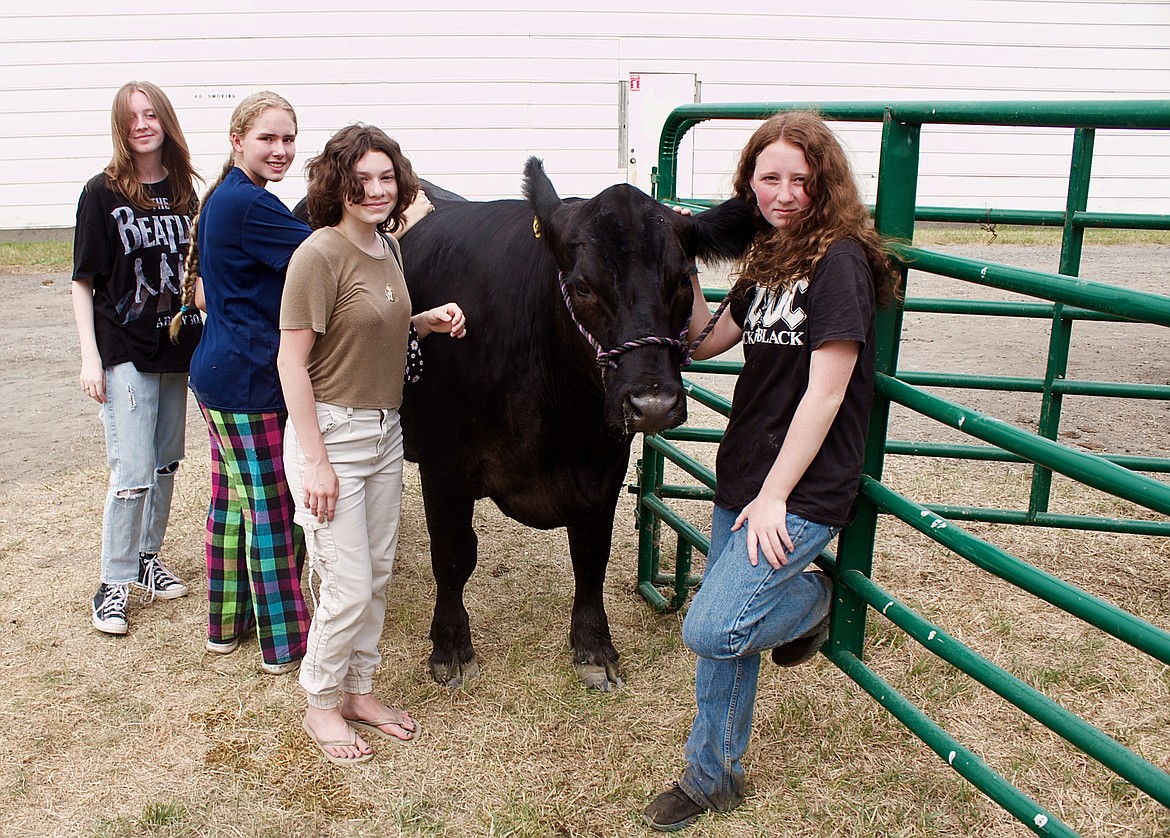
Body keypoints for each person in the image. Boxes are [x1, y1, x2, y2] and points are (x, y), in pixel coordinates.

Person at [643, 111, 901, 831]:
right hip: (745, 473)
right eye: (769, 178)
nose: (785, 193)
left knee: (713, 628)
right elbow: (704, 341)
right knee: (727, 636)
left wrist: (775, 495)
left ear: (825, 182)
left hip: (801, 485)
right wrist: (685, 259)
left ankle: (814, 603)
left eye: (800, 178)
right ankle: (711, 777)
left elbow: (827, 390)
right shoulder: (768, 256)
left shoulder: (840, 261)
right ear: (749, 183)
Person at [277, 123, 465, 765]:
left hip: (385, 431)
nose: (378, 189)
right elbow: (292, 363)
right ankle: (321, 700)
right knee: (348, 583)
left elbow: (365, 330)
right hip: (331, 434)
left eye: (387, 177)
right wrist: (317, 462)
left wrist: (424, 322)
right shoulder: (319, 255)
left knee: (377, 574)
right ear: (338, 184)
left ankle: (358, 690)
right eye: (362, 180)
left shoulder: (389, 249)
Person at [175, 91, 313, 675]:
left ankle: (226, 624)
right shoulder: (253, 206)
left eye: (288, 139)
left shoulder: (230, 198)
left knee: (232, 504)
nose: (280, 150)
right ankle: (286, 643)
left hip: (218, 373)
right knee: (273, 509)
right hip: (250, 380)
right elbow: (323, 258)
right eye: (267, 139)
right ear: (238, 141)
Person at [73, 81, 203, 635]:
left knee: (166, 460)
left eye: (151, 114)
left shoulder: (185, 192)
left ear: (165, 120)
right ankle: (113, 582)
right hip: (123, 348)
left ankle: (147, 558)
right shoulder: (101, 193)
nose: (142, 124)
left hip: (176, 347)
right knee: (131, 472)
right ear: (120, 127)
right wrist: (89, 358)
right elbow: (83, 282)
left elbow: (198, 272)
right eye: (131, 118)